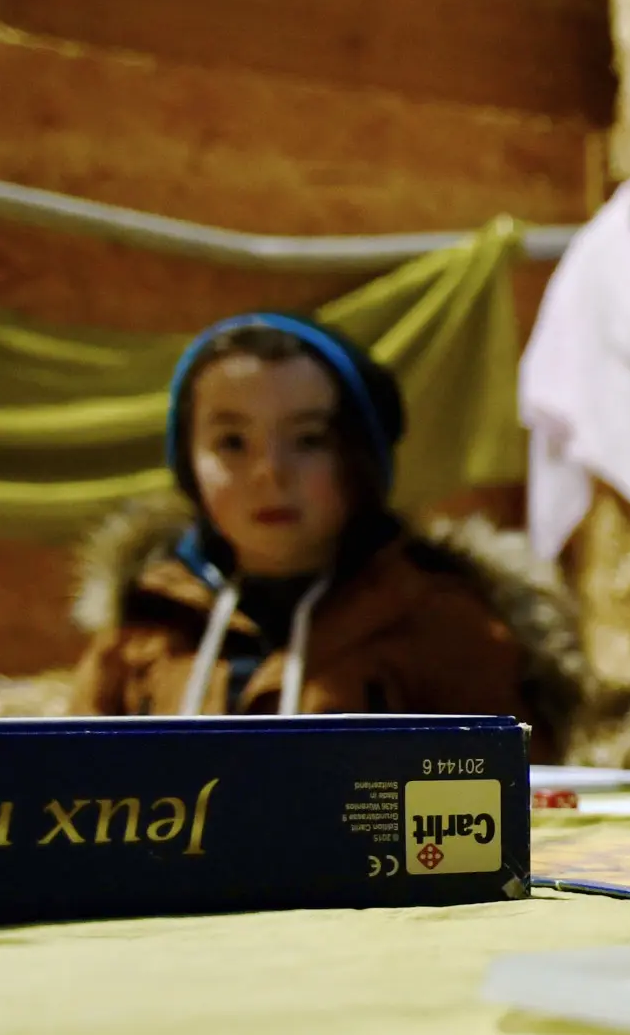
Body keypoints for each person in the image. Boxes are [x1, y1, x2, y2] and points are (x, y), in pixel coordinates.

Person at [69, 314, 582, 753]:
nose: (270, 472)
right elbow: (67, 796)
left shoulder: (440, 623)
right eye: (231, 442)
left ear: (360, 459)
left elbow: (517, 810)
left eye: (309, 439)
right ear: (187, 464)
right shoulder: (143, 628)